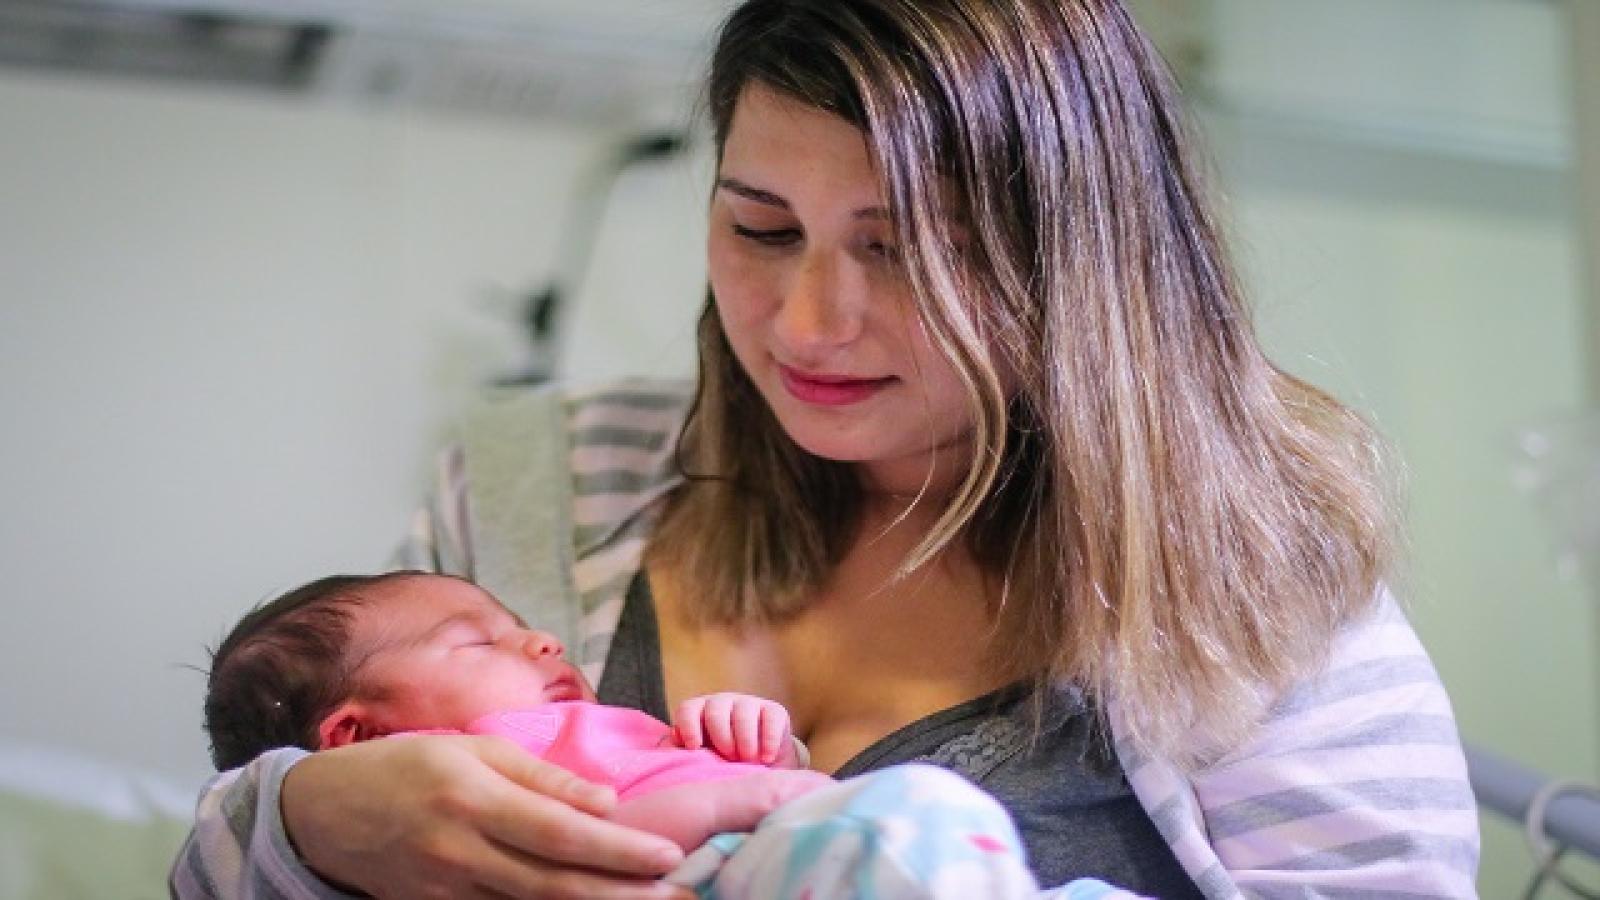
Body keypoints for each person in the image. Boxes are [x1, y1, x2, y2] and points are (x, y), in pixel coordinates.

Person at [172, 1, 1480, 898]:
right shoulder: (536, 488)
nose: (807, 323)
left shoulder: (1256, 589)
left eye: (899, 247)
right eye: (760, 228)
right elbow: (239, 833)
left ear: (1074, 260)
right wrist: (307, 824)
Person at [199, 569, 1076, 899]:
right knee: (909, 815)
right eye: (476, 641)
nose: (540, 641)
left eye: (521, 623)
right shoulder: (473, 779)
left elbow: (730, 786)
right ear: (359, 740)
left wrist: (756, 746)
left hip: (777, 855)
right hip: (734, 870)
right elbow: (596, 843)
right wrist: (746, 794)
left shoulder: (581, 727)